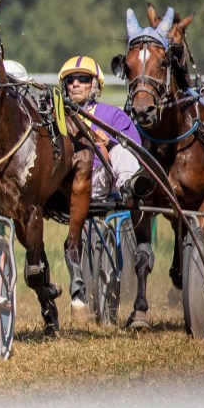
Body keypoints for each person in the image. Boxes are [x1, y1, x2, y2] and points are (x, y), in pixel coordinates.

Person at [58, 55, 152, 318]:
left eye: (83, 79)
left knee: (123, 151)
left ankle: (131, 186)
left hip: (104, 179)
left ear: (94, 85)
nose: (75, 84)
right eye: (70, 80)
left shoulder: (113, 115)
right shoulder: (58, 117)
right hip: (68, 186)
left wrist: (105, 143)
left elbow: (134, 149)